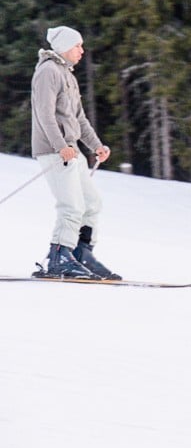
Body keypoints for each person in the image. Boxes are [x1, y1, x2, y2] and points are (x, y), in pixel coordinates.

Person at [31, 26, 120, 280]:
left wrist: (96, 146)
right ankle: (59, 256)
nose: (82, 50)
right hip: (55, 151)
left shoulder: (67, 74)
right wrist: (60, 147)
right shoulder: (48, 71)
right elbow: (44, 114)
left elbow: (78, 118)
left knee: (92, 204)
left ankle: (81, 254)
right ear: (64, 47)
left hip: (71, 150)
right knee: (71, 206)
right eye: (77, 46)